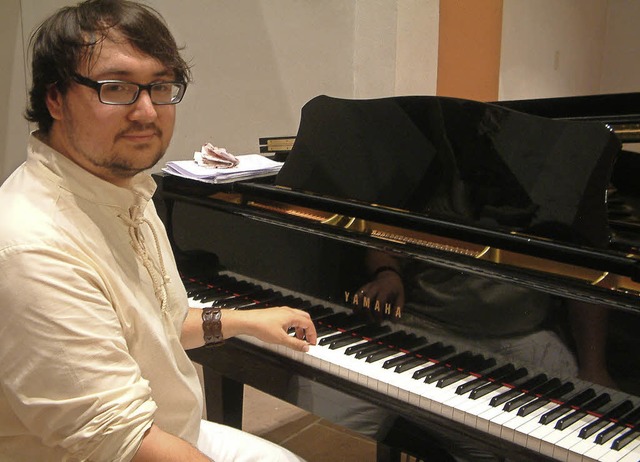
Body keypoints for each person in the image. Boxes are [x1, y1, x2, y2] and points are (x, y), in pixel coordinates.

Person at [0, 1, 317, 461]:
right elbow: (125, 443)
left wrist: (245, 320)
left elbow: (159, 324)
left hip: (173, 431)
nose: (147, 112)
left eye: (161, 86)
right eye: (117, 88)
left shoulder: (123, 188)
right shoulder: (31, 246)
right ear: (55, 99)